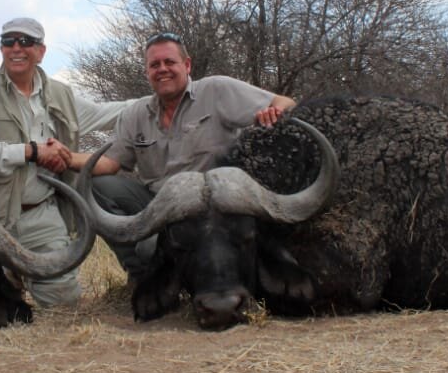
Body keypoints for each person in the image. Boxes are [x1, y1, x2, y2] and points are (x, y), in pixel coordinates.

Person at [86, 31, 296, 278]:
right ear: (147, 72)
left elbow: (285, 103)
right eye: (154, 65)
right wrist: (63, 158)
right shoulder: (135, 113)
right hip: (161, 206)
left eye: (169, 62)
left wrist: (275, 114)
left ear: (187, 65)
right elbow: (110, 163)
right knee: (97, 187)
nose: (162, 69)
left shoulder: (217, 89)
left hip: (212, 208)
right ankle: (143, 276)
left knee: (156, 247)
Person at [0, 18, 129, 307]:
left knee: (63, 303)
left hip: (42, 214)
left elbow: (110, 113)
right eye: (8, 41)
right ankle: (5, 282)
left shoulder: (61, 95)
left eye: (25, 42)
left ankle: (21, 279)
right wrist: (31, 152)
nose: (16, 48)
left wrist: (172, 91)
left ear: (41, 51)